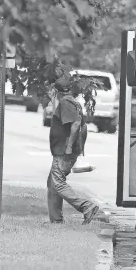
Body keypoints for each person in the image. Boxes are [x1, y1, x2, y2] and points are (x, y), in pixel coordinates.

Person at [47, 76, 99, 224]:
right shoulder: (72, 102)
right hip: (63, 150)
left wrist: (69, 147)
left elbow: (75, 124)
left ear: (56, 91)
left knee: (58, 183)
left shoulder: (65, 103)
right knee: (52, 184)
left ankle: (87, 206)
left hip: (64, 151)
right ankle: (56, 220)